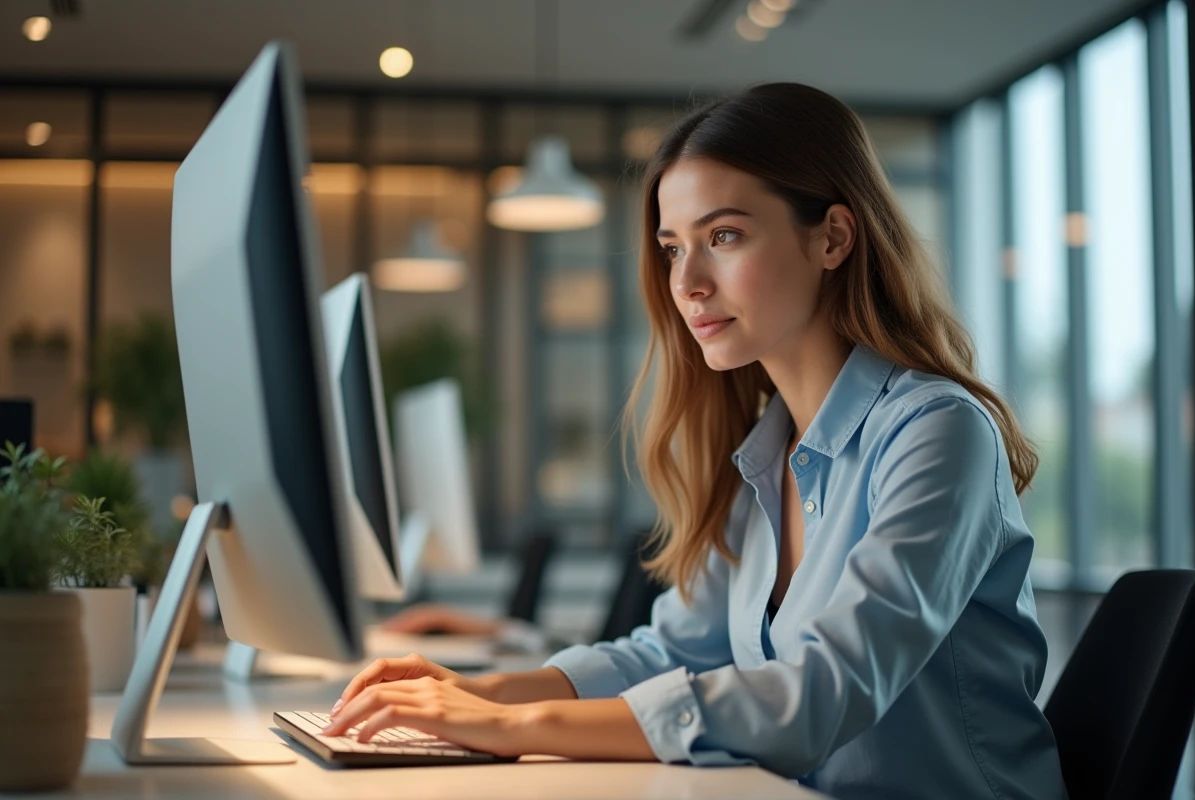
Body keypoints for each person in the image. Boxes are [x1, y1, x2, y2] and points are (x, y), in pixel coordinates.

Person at [321, 83, 1067, 798]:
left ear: (833, 237)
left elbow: (822, 693)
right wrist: (477, 692)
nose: (689, 283)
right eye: (674, 247)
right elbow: (669, 652)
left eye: (725, 236)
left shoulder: (936, 432)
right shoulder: (764, 454)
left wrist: (517, 723)